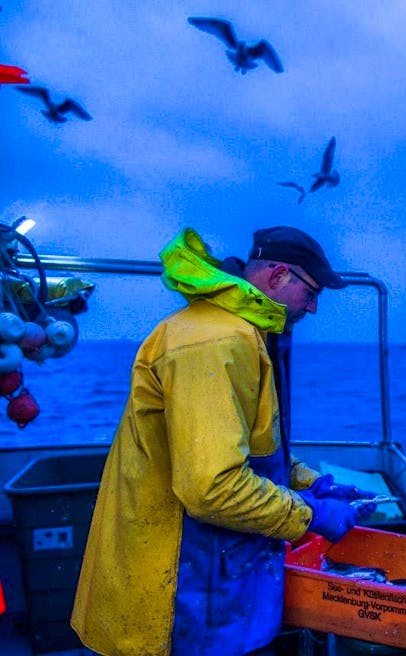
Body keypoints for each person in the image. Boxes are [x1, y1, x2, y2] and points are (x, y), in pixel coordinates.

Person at [71, 226, 375, 656]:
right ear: (277, 276)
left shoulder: (244, 332)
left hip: (216, 575)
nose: (314, 306)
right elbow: (213, 488)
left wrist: (307, 482)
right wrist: (312, 514)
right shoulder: (214, 343)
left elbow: (249, 445)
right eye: (311, 291)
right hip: (177, 589)